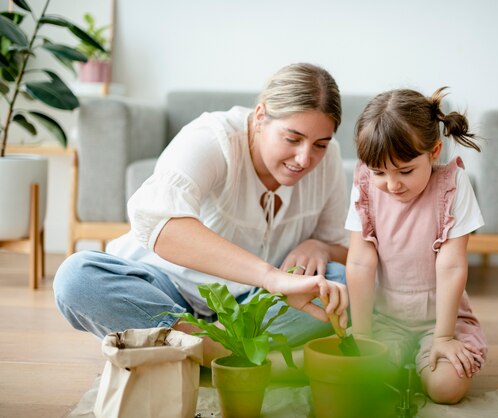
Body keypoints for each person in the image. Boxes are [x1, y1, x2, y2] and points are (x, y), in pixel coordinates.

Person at [54, 63, 350, 366]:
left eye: (320, 145)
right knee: (77, 278)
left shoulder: (328, 160)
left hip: (251, 307)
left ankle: (184, 349)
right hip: (166, 291)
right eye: (292, 139)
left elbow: (342, 250)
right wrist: (270, 277)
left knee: (340, 284)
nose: (305, 158)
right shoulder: (213, 137)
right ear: (261, 116)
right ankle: (219, 351)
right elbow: (159, 221)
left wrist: (319, 246)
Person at [345, 87, 488, 404]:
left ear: (434, 151)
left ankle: (423, 356)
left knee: (446, 388)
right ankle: (402, 360)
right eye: (379, 172)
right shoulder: (365, 186)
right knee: (361, 381)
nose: (392, 185)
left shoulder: (453, 185)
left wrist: (444, 337)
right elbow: (359, 263)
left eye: (406, 171)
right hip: (384, 318)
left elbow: (451, 265)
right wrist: (363, 336)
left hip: (442, 319)